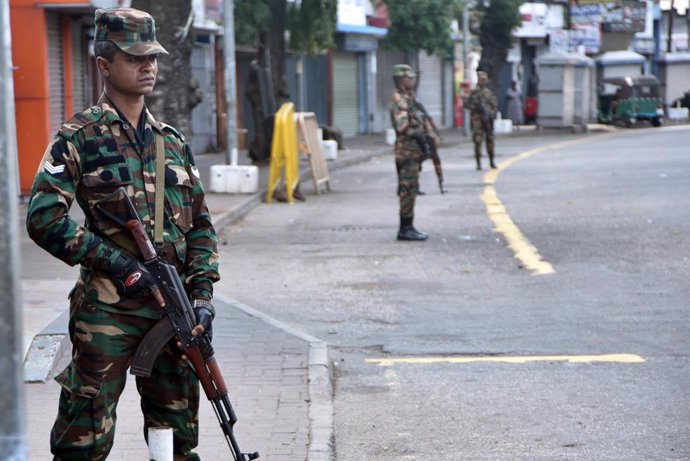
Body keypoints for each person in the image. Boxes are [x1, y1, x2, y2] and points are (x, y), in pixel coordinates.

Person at [25, 8, 219, 460]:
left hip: (173, 313)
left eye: (152, 56)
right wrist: (119, 265)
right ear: (104, 63)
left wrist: (203, 297)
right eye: (136, 57)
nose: (148, 65)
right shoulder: (78, 137)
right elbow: (43, 218)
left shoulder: (172, 141)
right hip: (105, 315)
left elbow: (202, 226)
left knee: (174, 441)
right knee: (83, 441)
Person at [390, 64, 430, 241]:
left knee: (411, 190)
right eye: (410, 78)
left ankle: (409, 226)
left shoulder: (410, 98)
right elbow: (402, 126)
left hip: (412, 152)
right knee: (407, 190)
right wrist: (418, 134)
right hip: (406, 152)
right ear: (401, 79)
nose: (412, 80)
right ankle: (405, 229)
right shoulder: (400, 100)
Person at [464, 70, 498, 170]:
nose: (483, 81)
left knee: (490, 140)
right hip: (477, 120)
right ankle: (478, 163)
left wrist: (490, 114)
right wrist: (475, 107)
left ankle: (491, 161)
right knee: (477, 140)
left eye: (484, 80)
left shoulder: (489, 93)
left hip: (488, 120)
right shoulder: (474, 93)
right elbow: (466, 105)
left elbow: (494, 106)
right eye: (481, 79)